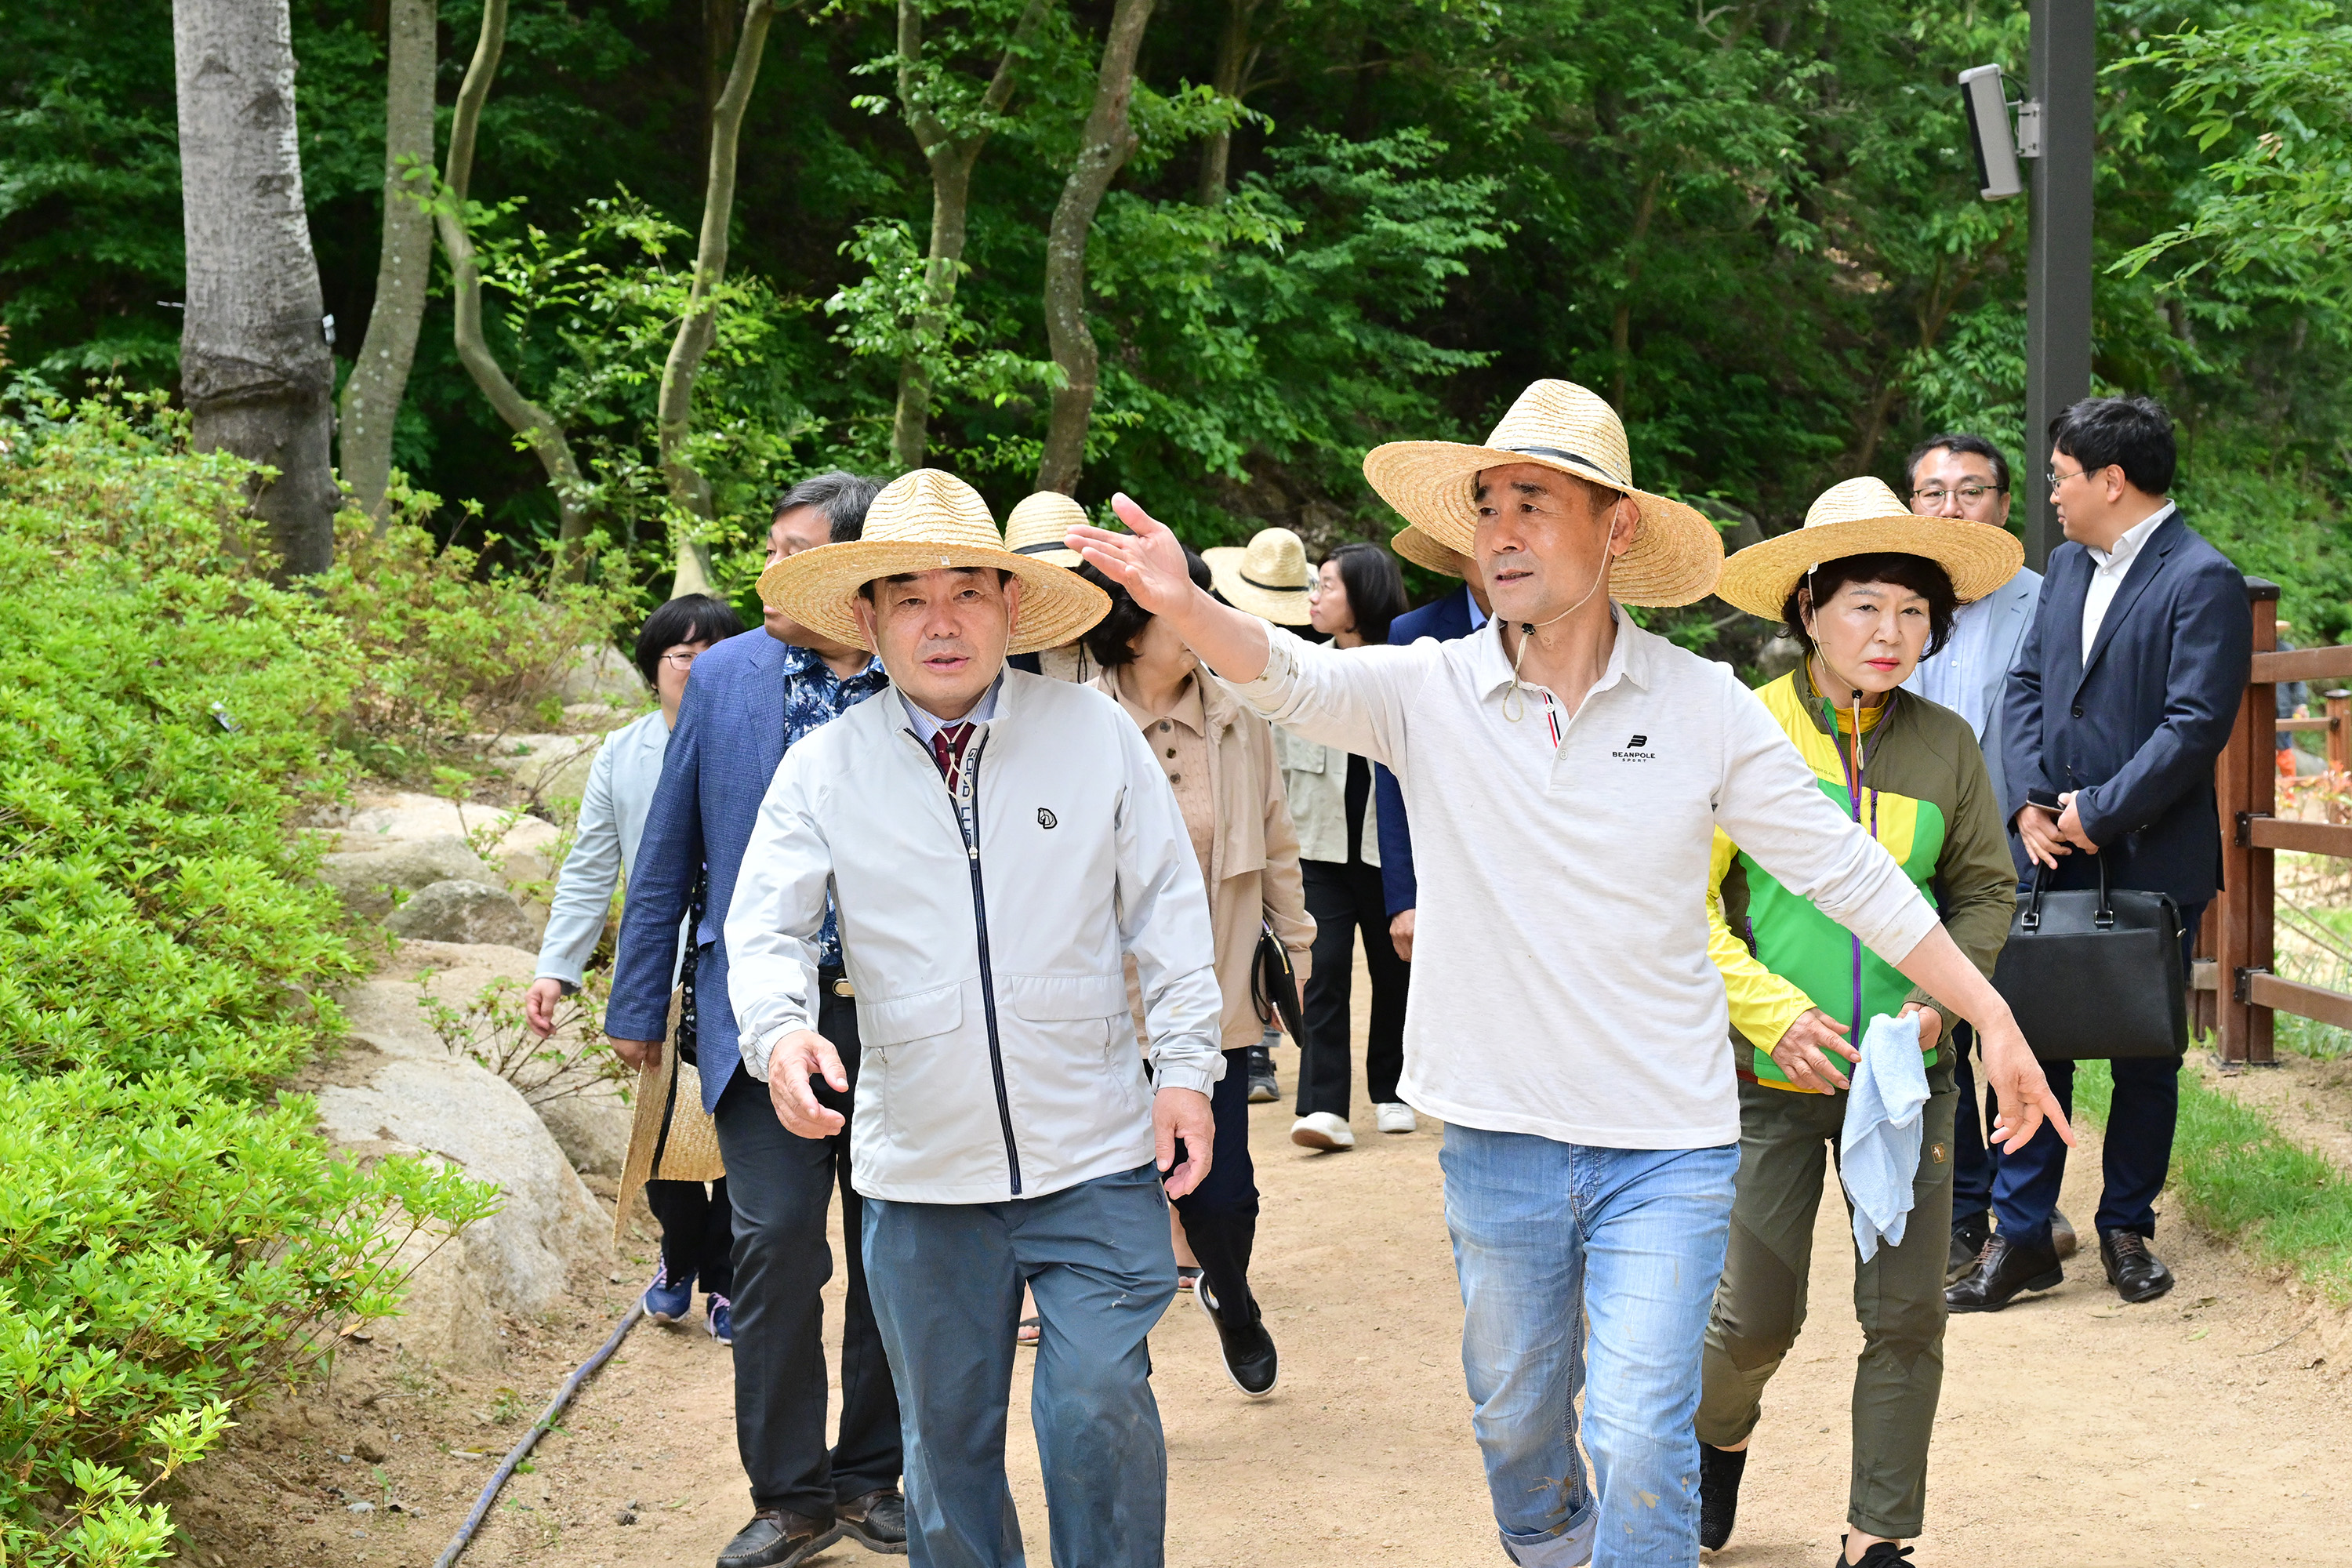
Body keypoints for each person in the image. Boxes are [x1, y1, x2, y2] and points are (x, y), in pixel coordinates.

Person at [1070, 377, 2068, 1568]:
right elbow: (1290, 678)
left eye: (1534, 503)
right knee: (1517, 1422)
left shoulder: (1703, 706)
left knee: (1642, 1431)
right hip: (1498, 1135)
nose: (1499, 531)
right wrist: (1185, 603)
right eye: (1487, 506)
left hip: (1670, 1140)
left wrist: (1992, 1015)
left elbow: (1850, 873)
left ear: (1618, 527)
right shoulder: (1428, 688)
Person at [732, 468, 1223, 1568]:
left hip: (1094, 1149)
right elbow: (764, 928)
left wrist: (1187, 1069)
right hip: (920, 1172)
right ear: (867, 618)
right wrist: (780, 1033)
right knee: (945, 1452)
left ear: (1012, 605)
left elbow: (1169, 916)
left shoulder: (1093, 736)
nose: (941, 620)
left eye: (968, 591)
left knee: (1095, 1400)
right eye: (909, 597)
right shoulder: (824, 769)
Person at [1693, 478, 2024, 1566]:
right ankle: (1717, 1439)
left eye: (1915, 612)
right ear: (1806, 608)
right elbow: (1686, 904)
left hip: (1906, 1082)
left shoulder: (1950, 747)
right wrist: (1770, 1014)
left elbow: (1983, 891)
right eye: (1866, 606)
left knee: (1906, 1317)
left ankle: (1880, 1535)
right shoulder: (1744, 730)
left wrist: (1939, 1008)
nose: (1892, 634)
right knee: (1752, 1319)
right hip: (1765, 1078)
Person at [604, 473, 908, 1568]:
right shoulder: (727, 677)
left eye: (793, 552)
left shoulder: (923, 674)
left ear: (850, 572)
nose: (768, 572)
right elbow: (671, 846)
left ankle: (873, 1477)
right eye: (768, 547)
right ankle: (790, 1497)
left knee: (894, 1251)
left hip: (904, 1022)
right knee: (777, 1244)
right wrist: (640, 1001)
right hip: (761, 1022)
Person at [1953, 394, 2252, 1313]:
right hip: (2050, 852)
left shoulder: (2204, 577)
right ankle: (2023, 1234)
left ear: (2111, 481)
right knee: (2031, 1039)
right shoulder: (2068, 568)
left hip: (2153, 853)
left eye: (2061, 477)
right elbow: (2030, 688)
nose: (2051, 495)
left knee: (2145, 1049)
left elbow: (2195, 724)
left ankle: (2128, 1227)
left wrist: (2099, 812)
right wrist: (2036, 809)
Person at [1082, 543, 1316, 1399]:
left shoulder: (1238, 715)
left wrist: (1299, 936)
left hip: (1210, 992)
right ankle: (1117, 1357)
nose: (1200, 618)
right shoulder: (1073, 721)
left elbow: (1277, 833)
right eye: (1178, 605)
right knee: (1112, 1190)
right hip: (1101, 1004)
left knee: (1223, 1195)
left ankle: (1229, 1287)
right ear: (1130, 625)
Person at [526, 593, 745, 1339]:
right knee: (659, 1136)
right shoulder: (622, 753)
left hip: (743, 966)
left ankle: (721, 1279)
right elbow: (592, 869)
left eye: (718, 652)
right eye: (684, 655)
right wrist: (558, 967)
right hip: (658, 970)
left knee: (736, 1131)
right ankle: (681, 1254)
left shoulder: (756, 739)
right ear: (655, 669)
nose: (701, 668)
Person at [1895, 434, 2074, 1279]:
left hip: (2016, 847)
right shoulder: (1888, 602)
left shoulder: (2047, 600)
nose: (1952, 507)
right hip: (1911, 851)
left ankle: (2027, 1218)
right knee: (1939, 1036)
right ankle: (1963, 1212)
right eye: (1933, 492)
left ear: (2005, 505)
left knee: (2029, 1028)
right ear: (1910, 506)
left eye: (1972, 490)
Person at [1272, 541, 1412, 1150]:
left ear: (1363, 593)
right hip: (1320, 847)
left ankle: (1393, 1090)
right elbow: (1277, 768)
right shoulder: (1304, 668)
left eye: (1327, 585)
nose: (1315, 597)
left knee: (1395, 973)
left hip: (1393, 854)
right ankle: (1324, 1106)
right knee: (1322, 972)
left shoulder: (1410, 667)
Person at [1203, 526, 1318, 1105]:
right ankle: (1247, 1051)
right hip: (1233, 797)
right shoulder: (1208, 656)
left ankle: (1258, 1049)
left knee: (1260, 923)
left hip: (1285, 800)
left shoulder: (1303, 654)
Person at [1377, 525, 1494, 963]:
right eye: (1470, 537)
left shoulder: (1552, 629)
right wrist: (1404, 898)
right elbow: (1391, 770)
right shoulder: (1413, 633)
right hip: (1442, 864)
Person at [1004, 492, 1103, 684]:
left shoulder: (1121, 640)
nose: (1055, 598)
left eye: (1067, 577)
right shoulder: (1001, 659)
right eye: (1039, 586)